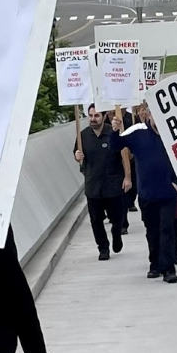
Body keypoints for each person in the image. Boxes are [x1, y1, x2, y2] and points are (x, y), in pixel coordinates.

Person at [110, 109, 177, 282]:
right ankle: (155, 263)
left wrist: (176, 181)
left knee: (167, 229)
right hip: (146, 193)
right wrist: (115, 130)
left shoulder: (173, 133)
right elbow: (116, 145)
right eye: (154, 114)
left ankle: (169, 269)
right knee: (152, 230)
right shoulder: (138, 133)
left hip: (168, 192)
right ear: (149, 115)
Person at [74, 104, 132, 260]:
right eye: (91, 116)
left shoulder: (113, 133)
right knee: (96, 220)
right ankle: (103, 248)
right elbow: (78, 155)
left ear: (104, 116)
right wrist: (77, 156)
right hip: (93, 184)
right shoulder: (83, 136)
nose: (93, 119)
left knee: (117, 216)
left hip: (113, 183)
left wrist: (127, 177)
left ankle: (116, 234)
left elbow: (126, 156)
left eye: (97, 115)